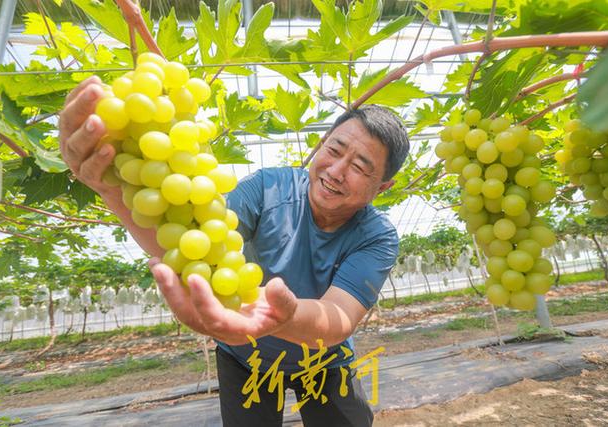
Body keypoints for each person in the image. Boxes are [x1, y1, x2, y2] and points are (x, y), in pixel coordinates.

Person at [59, 75, 410, 426]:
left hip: (323, 361)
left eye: (360, 167)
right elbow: (192, 244)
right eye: (333, 150)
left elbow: (338, 317)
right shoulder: (268, 187)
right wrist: (110, 191)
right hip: (245, 358)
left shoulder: (377, 236)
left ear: (383, 186)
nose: (335, 171)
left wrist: (281, 318)